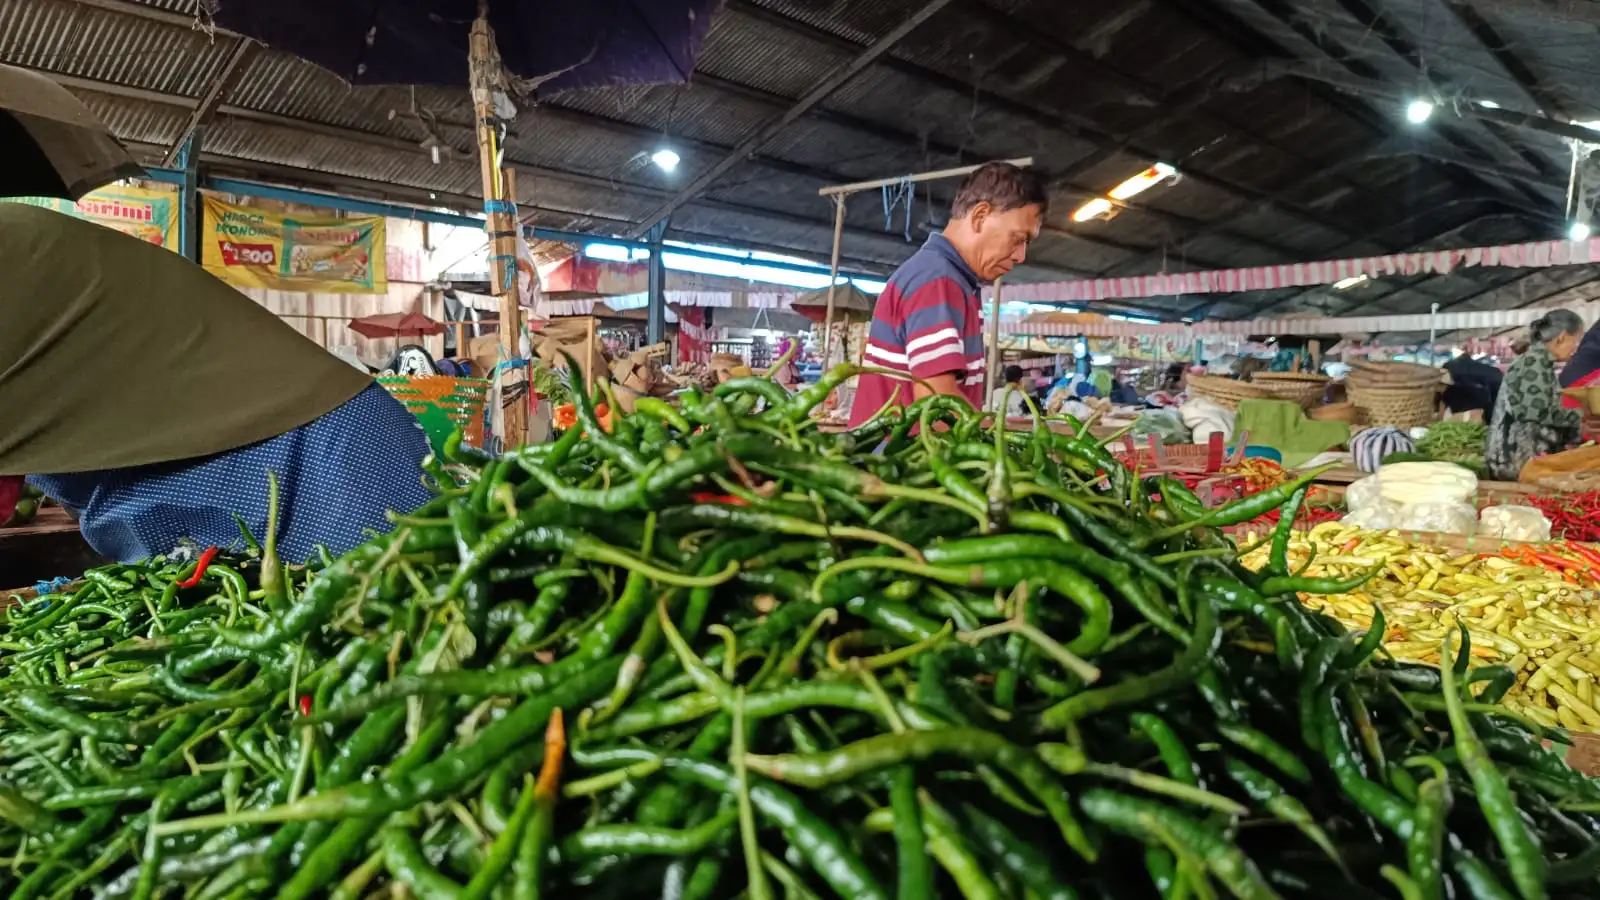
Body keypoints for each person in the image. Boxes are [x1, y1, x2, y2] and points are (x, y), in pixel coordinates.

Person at [0, 203, 435, 563]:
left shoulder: (17, 248)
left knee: (390, 619)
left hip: (314, 457)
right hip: (313, 437)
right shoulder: (21, 235)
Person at [849, 162, 1047, 427]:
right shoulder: (938, 280)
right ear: (980, 216)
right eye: (1018, 238)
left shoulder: (950, 278)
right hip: (899, 462)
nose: (1021, 256)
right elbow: (937, 404)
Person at [1485, 309, 1584, 481]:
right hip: (1515, 461)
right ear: (1561, 338)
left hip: (1523, 459)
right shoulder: (1533, 363)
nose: (1575, 349)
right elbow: (1537, 412)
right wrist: (1581, 416)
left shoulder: (1540, 363)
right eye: (1575, 342)